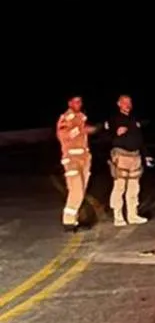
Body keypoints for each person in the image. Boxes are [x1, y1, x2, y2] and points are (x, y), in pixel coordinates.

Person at [105, 95, 148, 226]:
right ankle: (118, 217)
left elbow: (140, 139)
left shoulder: (134, 119)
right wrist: (115, 133)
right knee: (119, 187)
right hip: (121, 156)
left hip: (135, 157)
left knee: (134, 188)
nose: (127, 104)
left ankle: (132, 215)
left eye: (129, 102)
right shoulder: (113, 119)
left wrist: (146, 155)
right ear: (119, 104)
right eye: (124, 102)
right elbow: (105, 136)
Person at [55, 96, 96, 231]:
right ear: (70, 103)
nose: (79, 104)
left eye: (80, 101)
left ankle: (74, 220)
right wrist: (80, 129)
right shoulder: (66, 118)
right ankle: (68, 221)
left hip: (84, 158)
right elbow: (63, 135)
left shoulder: (82, 117)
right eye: (76, 101)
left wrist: (91, 129)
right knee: (76, 189)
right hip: (72, 159)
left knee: (81, 190)